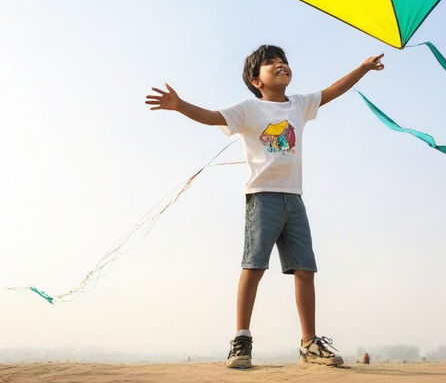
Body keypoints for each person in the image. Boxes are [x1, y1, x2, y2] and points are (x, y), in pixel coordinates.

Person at [146, 44, 384, 368]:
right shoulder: (249, 109)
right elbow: (213, 116)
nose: (280, 64)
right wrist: (179, 105)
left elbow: (332, 91)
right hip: (262, 196)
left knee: (305, 269)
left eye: (283, 60)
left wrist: (362, 68)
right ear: (256, 81)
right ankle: (241, 338)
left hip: (294, 198)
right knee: (254, 266)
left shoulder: (299, 105)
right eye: (271, 63)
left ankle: (309, 343)